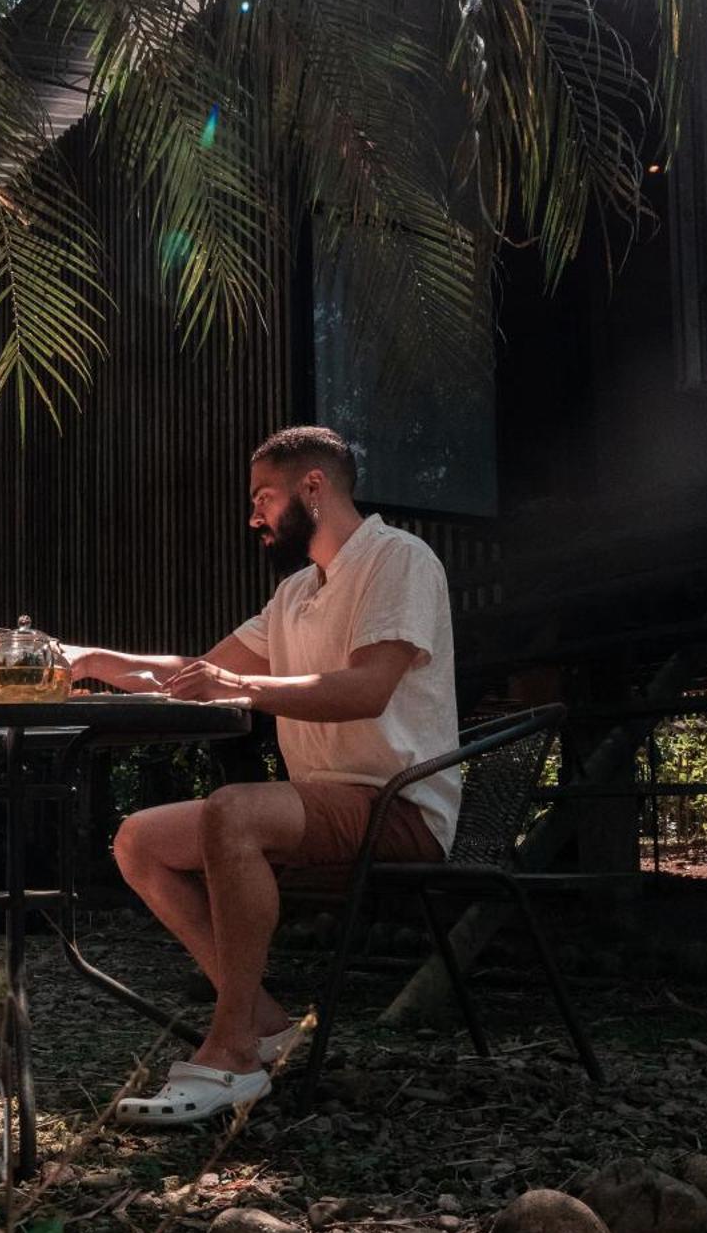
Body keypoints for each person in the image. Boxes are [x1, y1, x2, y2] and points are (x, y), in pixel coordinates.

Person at [64, 425, 458, 1125]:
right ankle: (270, 1023)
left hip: (396, 805)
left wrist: (238, 691)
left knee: (233, 810)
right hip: (320, 804)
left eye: (263, 497)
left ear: (313, 487)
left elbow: (363, 689)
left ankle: (233, 1053)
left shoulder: (398, 560)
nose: (254, 515)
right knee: (138, 840)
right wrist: (90, 659)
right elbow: (194, 671)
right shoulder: (296, 595)